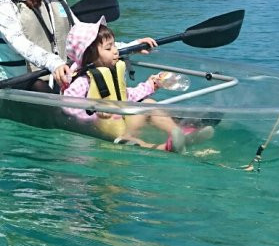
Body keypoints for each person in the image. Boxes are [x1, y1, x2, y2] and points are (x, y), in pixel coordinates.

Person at [61, 17, 214, 152]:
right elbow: (67, 105)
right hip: (104, 129)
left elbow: (127, 96)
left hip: (124, 121)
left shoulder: (112, 71)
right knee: (130, 142)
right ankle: (166, 148)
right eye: (108, 48)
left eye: (114, 45)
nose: (115, 51)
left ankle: (179, 134)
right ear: (89, 55)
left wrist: (152, 85)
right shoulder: (83, 80)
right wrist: (95, 111)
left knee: (148, 104)